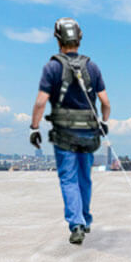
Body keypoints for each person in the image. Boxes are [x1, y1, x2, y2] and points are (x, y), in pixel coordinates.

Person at [29, 18, 111, 245]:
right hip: (88, 132)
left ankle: (76, 225)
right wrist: (104, 122)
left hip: (64, 133)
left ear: (58, 39)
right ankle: (85, 219)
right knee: (85, 177)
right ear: (79, 38)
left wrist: (34, 128)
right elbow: (105, 102)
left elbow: (40, 103)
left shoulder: (52, 67)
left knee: (68, 178)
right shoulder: (92, 67)